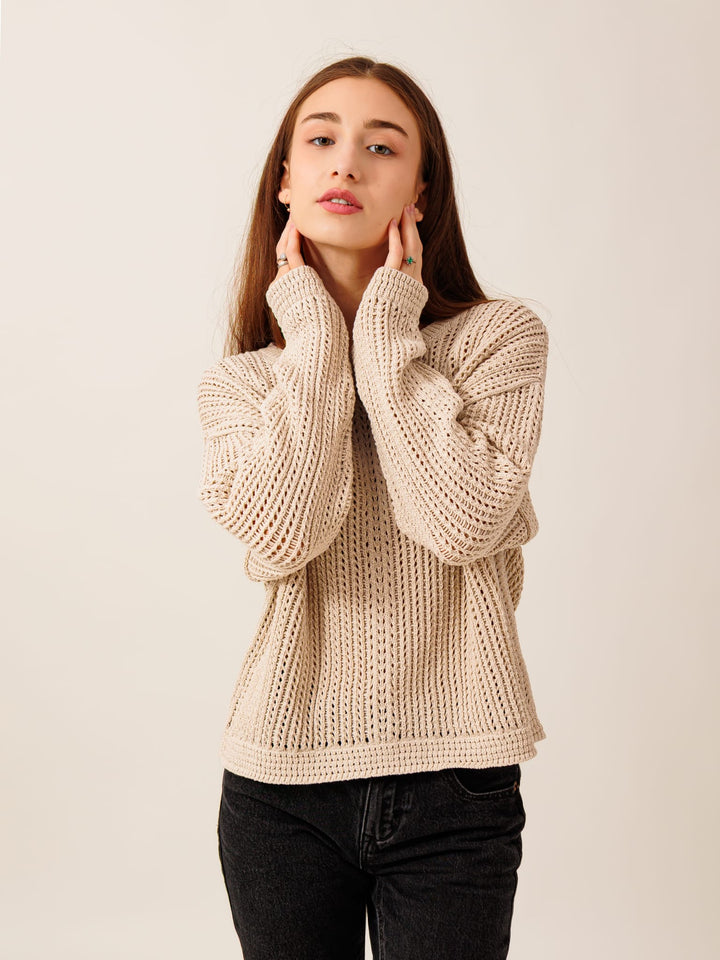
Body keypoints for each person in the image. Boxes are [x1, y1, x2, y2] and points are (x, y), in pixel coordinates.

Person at [196, 54, 550, 960]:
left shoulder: (495, 340)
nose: (344, 164)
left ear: (420, 193)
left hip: (456, 781)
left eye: (379, 146)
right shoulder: (242, 385)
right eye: (319, 141)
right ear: (285, 182)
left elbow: (458, 522)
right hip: (282, 784)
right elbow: (288, 531)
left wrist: (388, 332)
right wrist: (315, 335)